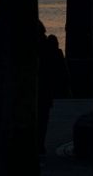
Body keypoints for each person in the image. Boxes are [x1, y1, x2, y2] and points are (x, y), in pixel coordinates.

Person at [37, 23, 70, 154]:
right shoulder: (52, 47)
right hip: (46, 90)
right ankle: (39, 144)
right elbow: (62, 71)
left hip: (41, 89)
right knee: (42, 119)